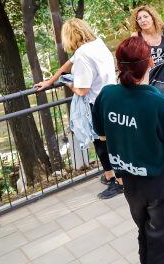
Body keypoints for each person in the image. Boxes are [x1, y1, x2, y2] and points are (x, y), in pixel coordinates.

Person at [92, 37, 164, 264]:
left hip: (130, 179)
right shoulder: (159, 102)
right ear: (150, 63)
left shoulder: (107, 95)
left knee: (146, 231)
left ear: (119, 66)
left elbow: (102, 135)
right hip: (163, 181)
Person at [35, 18, 120, 199]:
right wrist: (50, 81)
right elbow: (68, 64)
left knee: (102, 144)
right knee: (110, 142)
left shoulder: (83, 54)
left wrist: (68, 83)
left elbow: (82, 90)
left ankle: (115, 181)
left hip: (97, 104)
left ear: (69, 36)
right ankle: (115, 176)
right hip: (111, 97)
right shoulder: (97, 43)